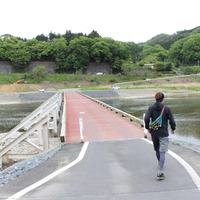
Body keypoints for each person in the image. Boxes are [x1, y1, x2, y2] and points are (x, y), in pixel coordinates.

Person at [144, 92, 176, 180]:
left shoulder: (151, 108)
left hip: (154, 133)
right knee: (162, 152)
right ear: (163, 99)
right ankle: (160, 171)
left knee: (157, 149)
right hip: (163, 133)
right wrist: (173, 128)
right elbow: (171, 120)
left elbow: (146, 118)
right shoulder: (166, 109)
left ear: (155, 98)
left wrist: (148, 127)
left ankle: (160, 164)